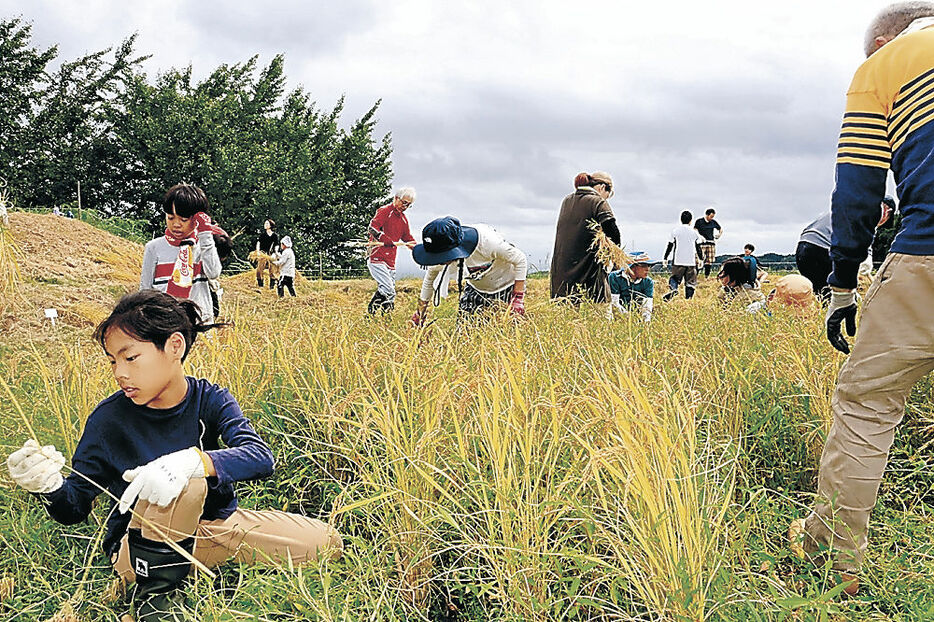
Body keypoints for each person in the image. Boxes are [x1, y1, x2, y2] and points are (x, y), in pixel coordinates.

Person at [6, 291, 342, 620]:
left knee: (325, 543)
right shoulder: (109, 420)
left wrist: (196, 461)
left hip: (211, 527)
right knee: (186, 485)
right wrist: (48, 485)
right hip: (137, 545)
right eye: (113, 361)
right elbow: (75, 506)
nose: (119, 373)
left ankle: (186, 566)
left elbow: (259, 456)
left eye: (130, 357)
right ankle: (155, 600)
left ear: (175, 346)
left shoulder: (209, 399)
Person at [789, 3, 934, 596]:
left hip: (926, 251)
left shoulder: (886, 64)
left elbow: (858, 193)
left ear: (883, 38)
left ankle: (833, 557)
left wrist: (843, 287)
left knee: (867, 404)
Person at [411, 216, 527, 325]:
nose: (439, 260)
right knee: (463, 333)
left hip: (506, 286)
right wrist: (420, 312)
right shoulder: (437, 252)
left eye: (442, 256)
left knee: (506, 333)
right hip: (476, 288)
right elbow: (429, 281)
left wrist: (517, 298)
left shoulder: (488, 243)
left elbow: (520, 260)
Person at [140, 184, 222, 323]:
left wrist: (205, 234)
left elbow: (214, 273)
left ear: (197, 218)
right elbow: (145, 290)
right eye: (171, 218)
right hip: (165, 322)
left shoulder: (203, 247)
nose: (176, 224)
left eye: (183, 220)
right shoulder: (154, 248)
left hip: (200, 322)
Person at [796, 197, 894, 301]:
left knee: (823, 294)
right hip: (821, 249)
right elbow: (864, 239)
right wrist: (867, 258)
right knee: (838, 295)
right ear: (887, 211)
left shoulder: (848, 207)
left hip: (802, 251)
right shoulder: (868, 212)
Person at [550, 171, 621, 303]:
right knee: (601, 312)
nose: (606, 199)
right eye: (607, 195)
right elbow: (613, 233)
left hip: (562, 272)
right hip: (588, 271)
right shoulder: (597, 201)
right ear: (601, 188)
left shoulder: (567, 200)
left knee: (568, 314)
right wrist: (613, 258)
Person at [367, 187, 417, 313]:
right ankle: (372, 314)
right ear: (396, 198)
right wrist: (383, 238)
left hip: (391, 259)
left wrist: (418, 249)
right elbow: (372, 227)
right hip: (377, 256)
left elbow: (407, 238)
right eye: (404, 203)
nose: (405, 207)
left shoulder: (403, 219)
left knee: (388, 291)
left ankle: (384, 318)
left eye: (408, 205)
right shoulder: (385, 211)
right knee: (388, 289)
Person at [662, 211, 704, 301]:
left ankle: (674, 289)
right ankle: (688, 300)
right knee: (690, 282)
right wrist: (701, 259)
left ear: (681, 219)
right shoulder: (694, 233)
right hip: (691, 262)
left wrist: (665, 258)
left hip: (678, 261)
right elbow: (698, 247)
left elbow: (670, 245)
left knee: (674, 278)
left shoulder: (675, 231)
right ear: (691, 220)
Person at [608, 251, 655, 322]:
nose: (647, 269)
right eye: (644, 265)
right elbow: (614, 303)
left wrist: (646, 322)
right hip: (617, 318)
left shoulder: (648, 282)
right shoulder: (615, 277)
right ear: (632, 267)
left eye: (649, 266)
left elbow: (647, 305)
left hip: (637, 318)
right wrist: (628, 319)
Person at [694, 208, 723, 277]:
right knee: (698, 260)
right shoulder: (699, 221)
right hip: (701, 243)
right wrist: (699, 236)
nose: (712, 218)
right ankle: (695, 276)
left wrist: (719, 235)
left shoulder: (713, 222)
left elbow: (720, 229)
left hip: (711, 243)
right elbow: (695, 230)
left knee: (709, 260)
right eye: (711, 216)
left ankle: (706, 276)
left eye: (713, 217)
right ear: (707, 215)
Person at [255, 219, 279, 289]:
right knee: (259, 270)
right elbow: (258, 243)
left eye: (267, 223)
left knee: (272, 270)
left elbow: (276, 245)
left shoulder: (275, 236)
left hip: (271, 255)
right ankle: (260, 285)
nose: (265, 225)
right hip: (263, 254)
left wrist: (275, 253)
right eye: (265, 223)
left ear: (271, 225)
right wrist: (258, 252)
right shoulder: (262, 235)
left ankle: (271, 287)